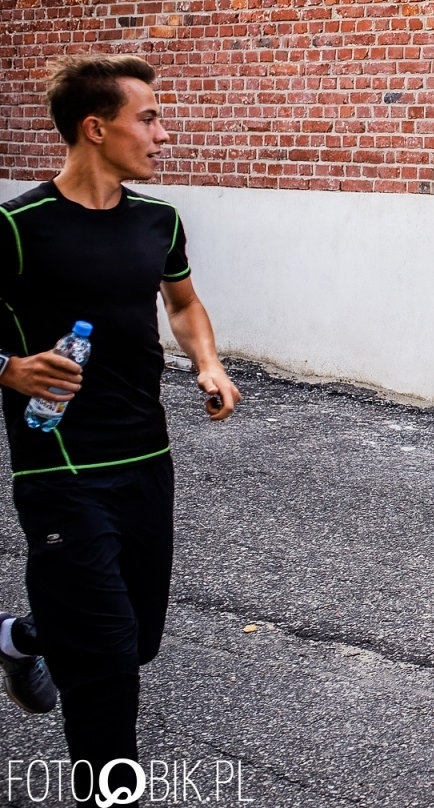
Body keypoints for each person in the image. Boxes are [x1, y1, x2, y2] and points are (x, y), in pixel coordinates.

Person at [0, 54, 241, 800]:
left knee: (134, 638)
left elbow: (183, 303)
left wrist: (208, 363)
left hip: (146, 457)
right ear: (96, 128)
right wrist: (8, 368)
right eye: (149, 118)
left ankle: (26, 637)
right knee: (105, 664)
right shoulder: (18, 227)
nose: (163, 134)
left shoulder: (158, 221)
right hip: (59, 466)